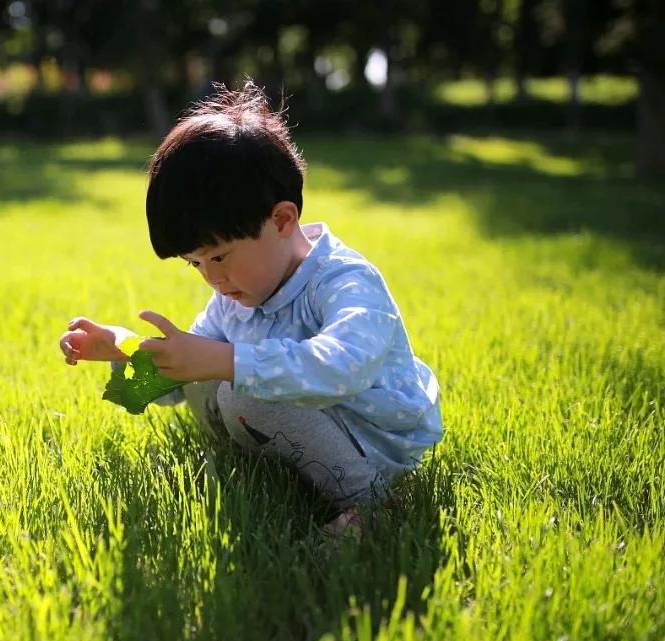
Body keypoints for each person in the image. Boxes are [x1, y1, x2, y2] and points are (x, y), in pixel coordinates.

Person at [58, 82, 442, 533]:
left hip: (375, 436)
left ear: (282, 220)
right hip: (305, 421)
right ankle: (260, 462)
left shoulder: (345, 281)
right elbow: (185, 374)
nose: (213, 279)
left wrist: (226, 361)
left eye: (219, 256)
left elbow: (345, 367)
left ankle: (371, 502)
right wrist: (125, 348)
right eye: (194, 264)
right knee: (208, 377)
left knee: (240, 386)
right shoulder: (235, 293)